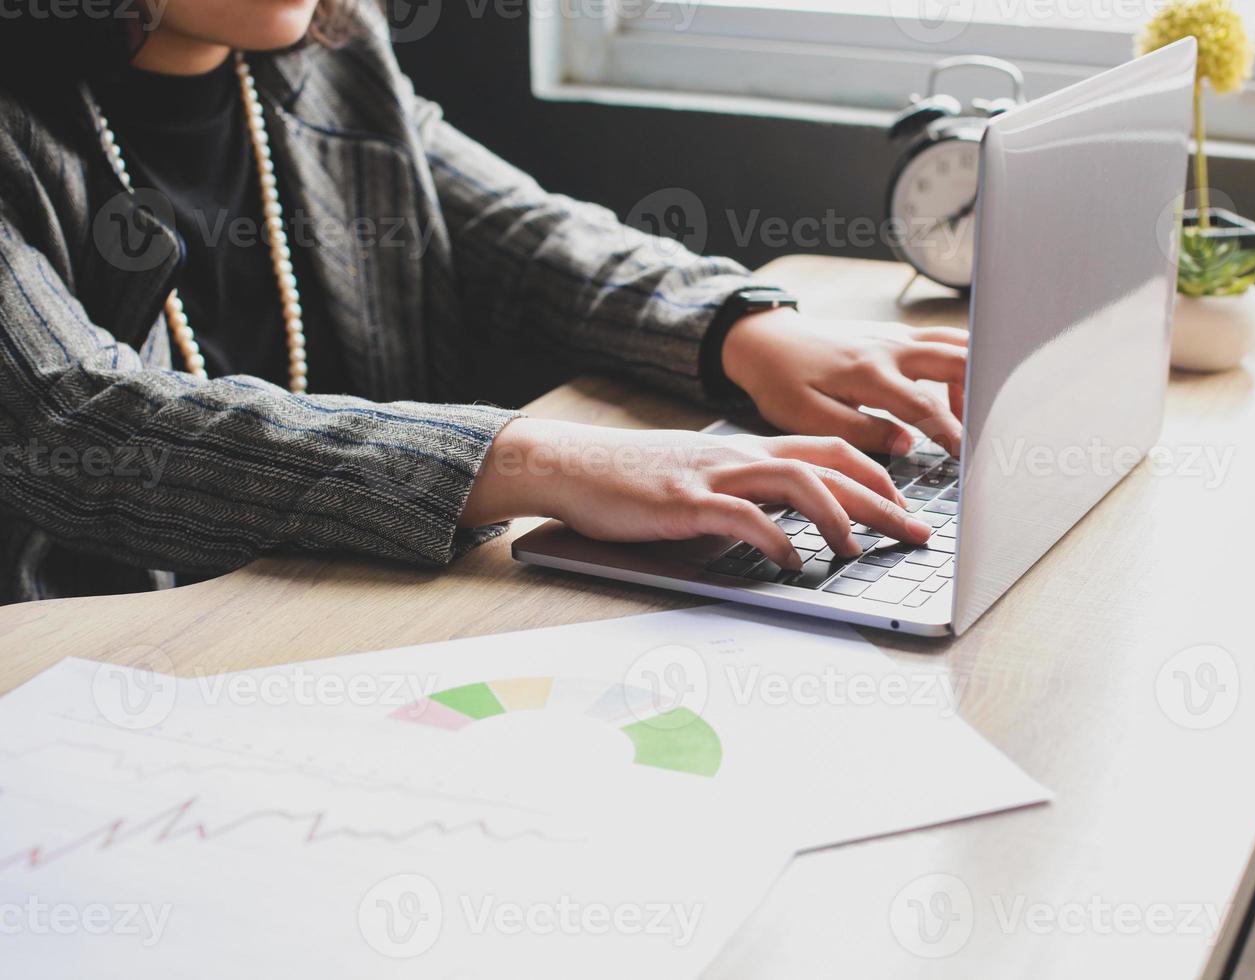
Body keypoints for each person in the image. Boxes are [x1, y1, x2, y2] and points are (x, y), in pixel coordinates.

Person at [0, 0, 968, 605]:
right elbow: (67, 417)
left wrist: (738, 330)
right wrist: (536, 457)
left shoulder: (324, 46)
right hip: (86, 653)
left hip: (340, 594)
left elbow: (507, 227)